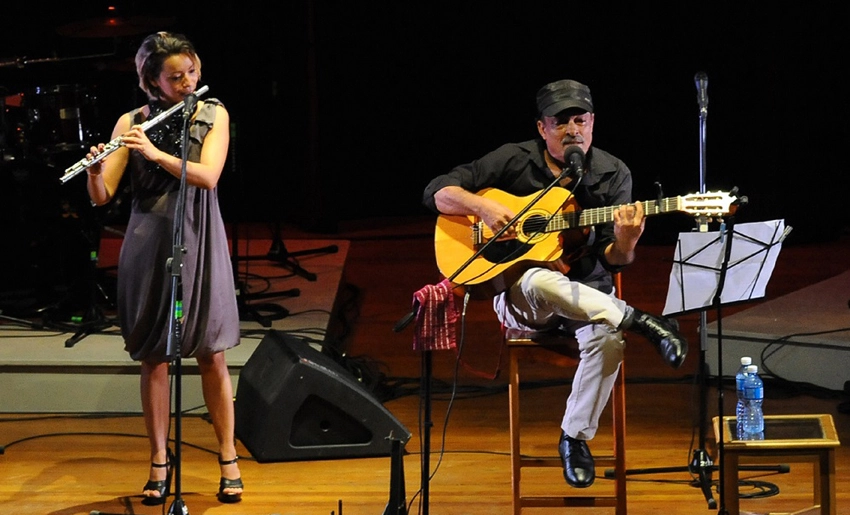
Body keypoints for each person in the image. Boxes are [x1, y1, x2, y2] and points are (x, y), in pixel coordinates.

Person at [422, 79, 688, 489]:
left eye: (580, 120)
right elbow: (437, 192)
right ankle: (642, 321)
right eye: (560, 122)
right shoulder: (513, 159)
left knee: (610, 340)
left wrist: (627, 241)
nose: (571, 130)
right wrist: (482, 206)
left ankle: (574, 438)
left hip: (589, 296)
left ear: (592, 122)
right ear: (542, 128)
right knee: (537, 278)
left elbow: (614, 260)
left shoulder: (613, 173)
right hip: (523, 300)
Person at [84, 32, 243, 504]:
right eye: (176, 77)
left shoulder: (212, 113)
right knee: (153, 356)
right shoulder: (131, 122)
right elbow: (102, 197)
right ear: (152, 81)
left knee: (211, 352)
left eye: (191, 71)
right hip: (148, 240)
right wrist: (94, 171)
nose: (188, 81)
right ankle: (157, 460)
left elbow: (208, 176)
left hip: (198, 232)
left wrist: (154, 154)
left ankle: (228, 457)